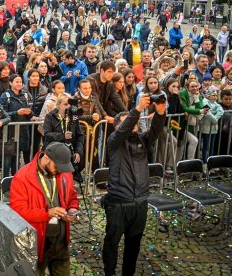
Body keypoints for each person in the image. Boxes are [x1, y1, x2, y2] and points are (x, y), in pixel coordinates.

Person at [101, 93, 166, 276]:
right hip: (118, 202)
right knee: (112, 243)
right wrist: (136, 109)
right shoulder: (114, 142)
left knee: (133, 244)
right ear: (117, 127)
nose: (133, 123)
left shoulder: (142, 141)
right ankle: (109, 273)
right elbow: (123, 130)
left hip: (140, 202)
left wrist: (160, 112)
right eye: (129, 121)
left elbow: (155, 131)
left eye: (134, 121)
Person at [9, 142, 80, 276]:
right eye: (57, 167)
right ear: (46, 158)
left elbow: (72, 195)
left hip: (61, 243)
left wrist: (72, 209)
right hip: (38, 245)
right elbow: (18, 212)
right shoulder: (22, 177)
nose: (59, 171)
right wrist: (47, 213)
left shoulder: (64, 173)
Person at [42, 94, 85, 173]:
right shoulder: (50, 116)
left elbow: (80, 136)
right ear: (58, 105)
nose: (68, 106)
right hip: (54, 153)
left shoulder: (74, 117)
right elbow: (47, 134)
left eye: (70, 104)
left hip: (69, 153)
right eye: (65, 104)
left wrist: (78, 152)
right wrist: (62, 136)